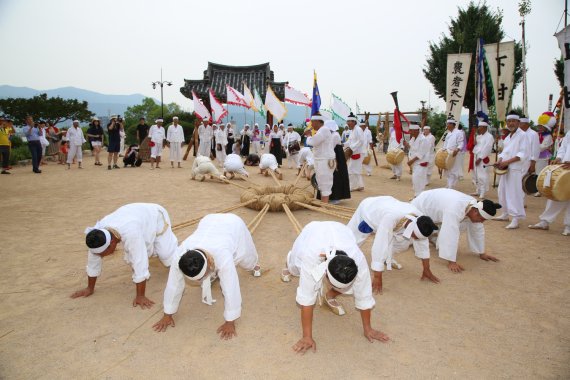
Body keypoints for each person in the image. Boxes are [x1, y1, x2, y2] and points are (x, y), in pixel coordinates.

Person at [281, 221, 390, 354]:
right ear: (325, 272)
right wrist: (307, 337)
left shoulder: (358, 261)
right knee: (295, 267)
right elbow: (307, 299)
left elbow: (364, 295)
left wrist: (368, 329)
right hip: (312, 232)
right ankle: (288, 262)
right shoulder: (311, 256)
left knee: (353, 285)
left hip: (341, 230)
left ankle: (330, 295)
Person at [152, 213, 261, 338]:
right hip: (208, 220)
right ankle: (213, 274)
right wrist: (167, 314)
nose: (200, 281)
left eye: (202, 277)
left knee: (245, 256)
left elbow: (231, 288)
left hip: (233, 223)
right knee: (218, 272)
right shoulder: (180, 254)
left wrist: (230, 321)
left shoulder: (223, 255)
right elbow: (173, 284)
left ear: (210, 262)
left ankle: (255, 265)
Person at [70, 203, 178, 308]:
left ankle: (178, 248)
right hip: (135, 216)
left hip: (155, 216)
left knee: (166, 256)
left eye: (103, 254)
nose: (102, 257)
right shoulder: (97, 235)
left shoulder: (131, 233)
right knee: (139, 250)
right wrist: (90, 288)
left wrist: (140, 296)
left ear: (112, 243)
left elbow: (139, 261)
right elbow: (93, 261)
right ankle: (154, 246)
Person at [347, 196, 439, 294]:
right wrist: (377, 277)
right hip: (369, 210)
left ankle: (387, 258)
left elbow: (422, 243)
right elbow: (381, 244)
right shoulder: (390, 218)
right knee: (352, 240)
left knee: (404, 243)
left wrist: (426, 269)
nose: (415, 239)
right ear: (410, 228)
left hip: (388, 207)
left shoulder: (421, 219)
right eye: (415, 236)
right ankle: (337, 256)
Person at [412, 188, 501, 272]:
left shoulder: (473, 206)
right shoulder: (455, 209)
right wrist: (451, 261)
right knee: (408, 239)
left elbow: (477, 230)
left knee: (465, 224)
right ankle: (431, 235)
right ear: (475, 211)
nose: (482, 222)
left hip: (437, 210)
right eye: (481, 219)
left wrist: (481, 253)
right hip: (421, 206)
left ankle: (433, 236)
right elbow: (450, 234)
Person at [528, 130, 570, 235]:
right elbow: (563, 147)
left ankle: (568, 226)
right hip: (564, 167)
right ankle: (545, 221)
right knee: (554, 193)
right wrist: (559, 157)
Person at [493, 112, 529, 229]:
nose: (511, 123)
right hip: (505, 168)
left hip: (515, 168)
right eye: (509, 121)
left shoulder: (523, 135)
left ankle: (515, 218)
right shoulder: (508, 137)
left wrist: (506, 162)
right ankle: (505, 213)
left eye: (513, 121)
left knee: (514, 193)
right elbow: (504, 152)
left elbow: (522, 154)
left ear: (518, 122)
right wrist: (500, 161)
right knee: (502, 191)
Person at [305, 115, 335, 203]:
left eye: (312, 122)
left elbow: (313, 142)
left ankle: (324, 205)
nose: (311, 125)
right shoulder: (322, 130)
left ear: (318, 121)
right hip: (322, 160)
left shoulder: (324, 130)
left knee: (325, 183)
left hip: (324, 161)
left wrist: (308, 136)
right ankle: (323, 203)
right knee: (321, 182)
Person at [326, 120, 350, 203]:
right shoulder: (332, 134)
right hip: (333, 154)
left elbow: (331, 147)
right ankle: (331, 196)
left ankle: (336, 197)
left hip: (336, 156)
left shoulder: (335, 135)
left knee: (336, 176)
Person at [471, 120, 494, 198]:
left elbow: (487, 148)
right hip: (476, 156)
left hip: (482, 158)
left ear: (484, 127)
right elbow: (475, 144)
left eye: (480, 127)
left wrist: (480, 158)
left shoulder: (489, 137)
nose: (479, 128)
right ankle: (478, 190)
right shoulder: (479, 136)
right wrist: (475, 135)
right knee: (476, 174)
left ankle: (483, 192)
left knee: (482, 175)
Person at [344, 113, 366, 190]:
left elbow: (361, 141)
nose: (347, 123)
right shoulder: (352, 131)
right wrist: (342, 145)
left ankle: (352, 187)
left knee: (351, 169)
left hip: (358, 152)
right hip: (354, 152)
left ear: (353, 122)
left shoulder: (358, 129)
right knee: (356, 169)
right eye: (347, 122)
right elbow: (349, 142)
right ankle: (360, 185)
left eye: (349, 122)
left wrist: (351, 148)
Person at [407, 123, 430, 197]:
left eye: (411, 130)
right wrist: (406, 145)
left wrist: (411, 161)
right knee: (415, 180)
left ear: (416, 131)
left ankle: (419, 196)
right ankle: (416, 195)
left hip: (421, 162)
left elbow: (421, 153)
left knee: (419, 180)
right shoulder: (413, 138)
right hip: (415, 163)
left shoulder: (423, 139)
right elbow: (411, 148)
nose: (409, 132)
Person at [442, 118, 465, 189]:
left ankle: (451, 186)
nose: (447, 126)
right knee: (448, 169)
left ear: (452, 125)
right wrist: (443, 151)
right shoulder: (448, 134)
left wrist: (457, 150)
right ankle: (449, 184)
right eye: (447, 124)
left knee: (454, 170)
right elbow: (445, 144)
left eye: (448, 124)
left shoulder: (459, 132)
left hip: (455, 154)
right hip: (448, 154)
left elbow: (461, 143)